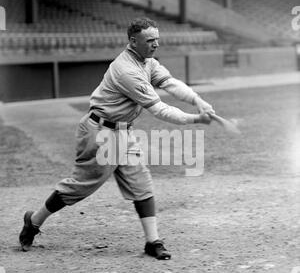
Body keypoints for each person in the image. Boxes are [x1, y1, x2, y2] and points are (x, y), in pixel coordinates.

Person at [19, 17, 215, 260]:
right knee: (80, 187)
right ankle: (34, 220)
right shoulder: (126, 70)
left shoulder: (147, 61)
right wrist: (196, 119)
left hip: (123, 131)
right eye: (149, 40)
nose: (155, 44)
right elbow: (159, 110)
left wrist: (198, 100)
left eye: (157, 39)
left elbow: (171, 84)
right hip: (99, 132)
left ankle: (152, 241)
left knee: (141, 182)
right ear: (133, 41)